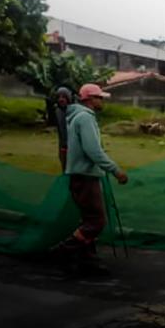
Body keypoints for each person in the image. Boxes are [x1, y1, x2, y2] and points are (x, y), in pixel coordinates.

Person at [52, 83, 128, 273]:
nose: (101, 100)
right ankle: (63, 251)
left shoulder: (76, 116)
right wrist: (115, 170)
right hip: (85, 175)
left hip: (79, 173)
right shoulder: (85, 118)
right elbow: (93, 150)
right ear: (89, 99)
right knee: (96, 221)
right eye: (99, 97)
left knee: (88, 218)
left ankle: (87, 259)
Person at [54, 87, 73, 171]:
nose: (61, 99)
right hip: (62, 146)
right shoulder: (57, 111)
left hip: (74, 147)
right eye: (59, 97)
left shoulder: (74, 111)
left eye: (64, 97)